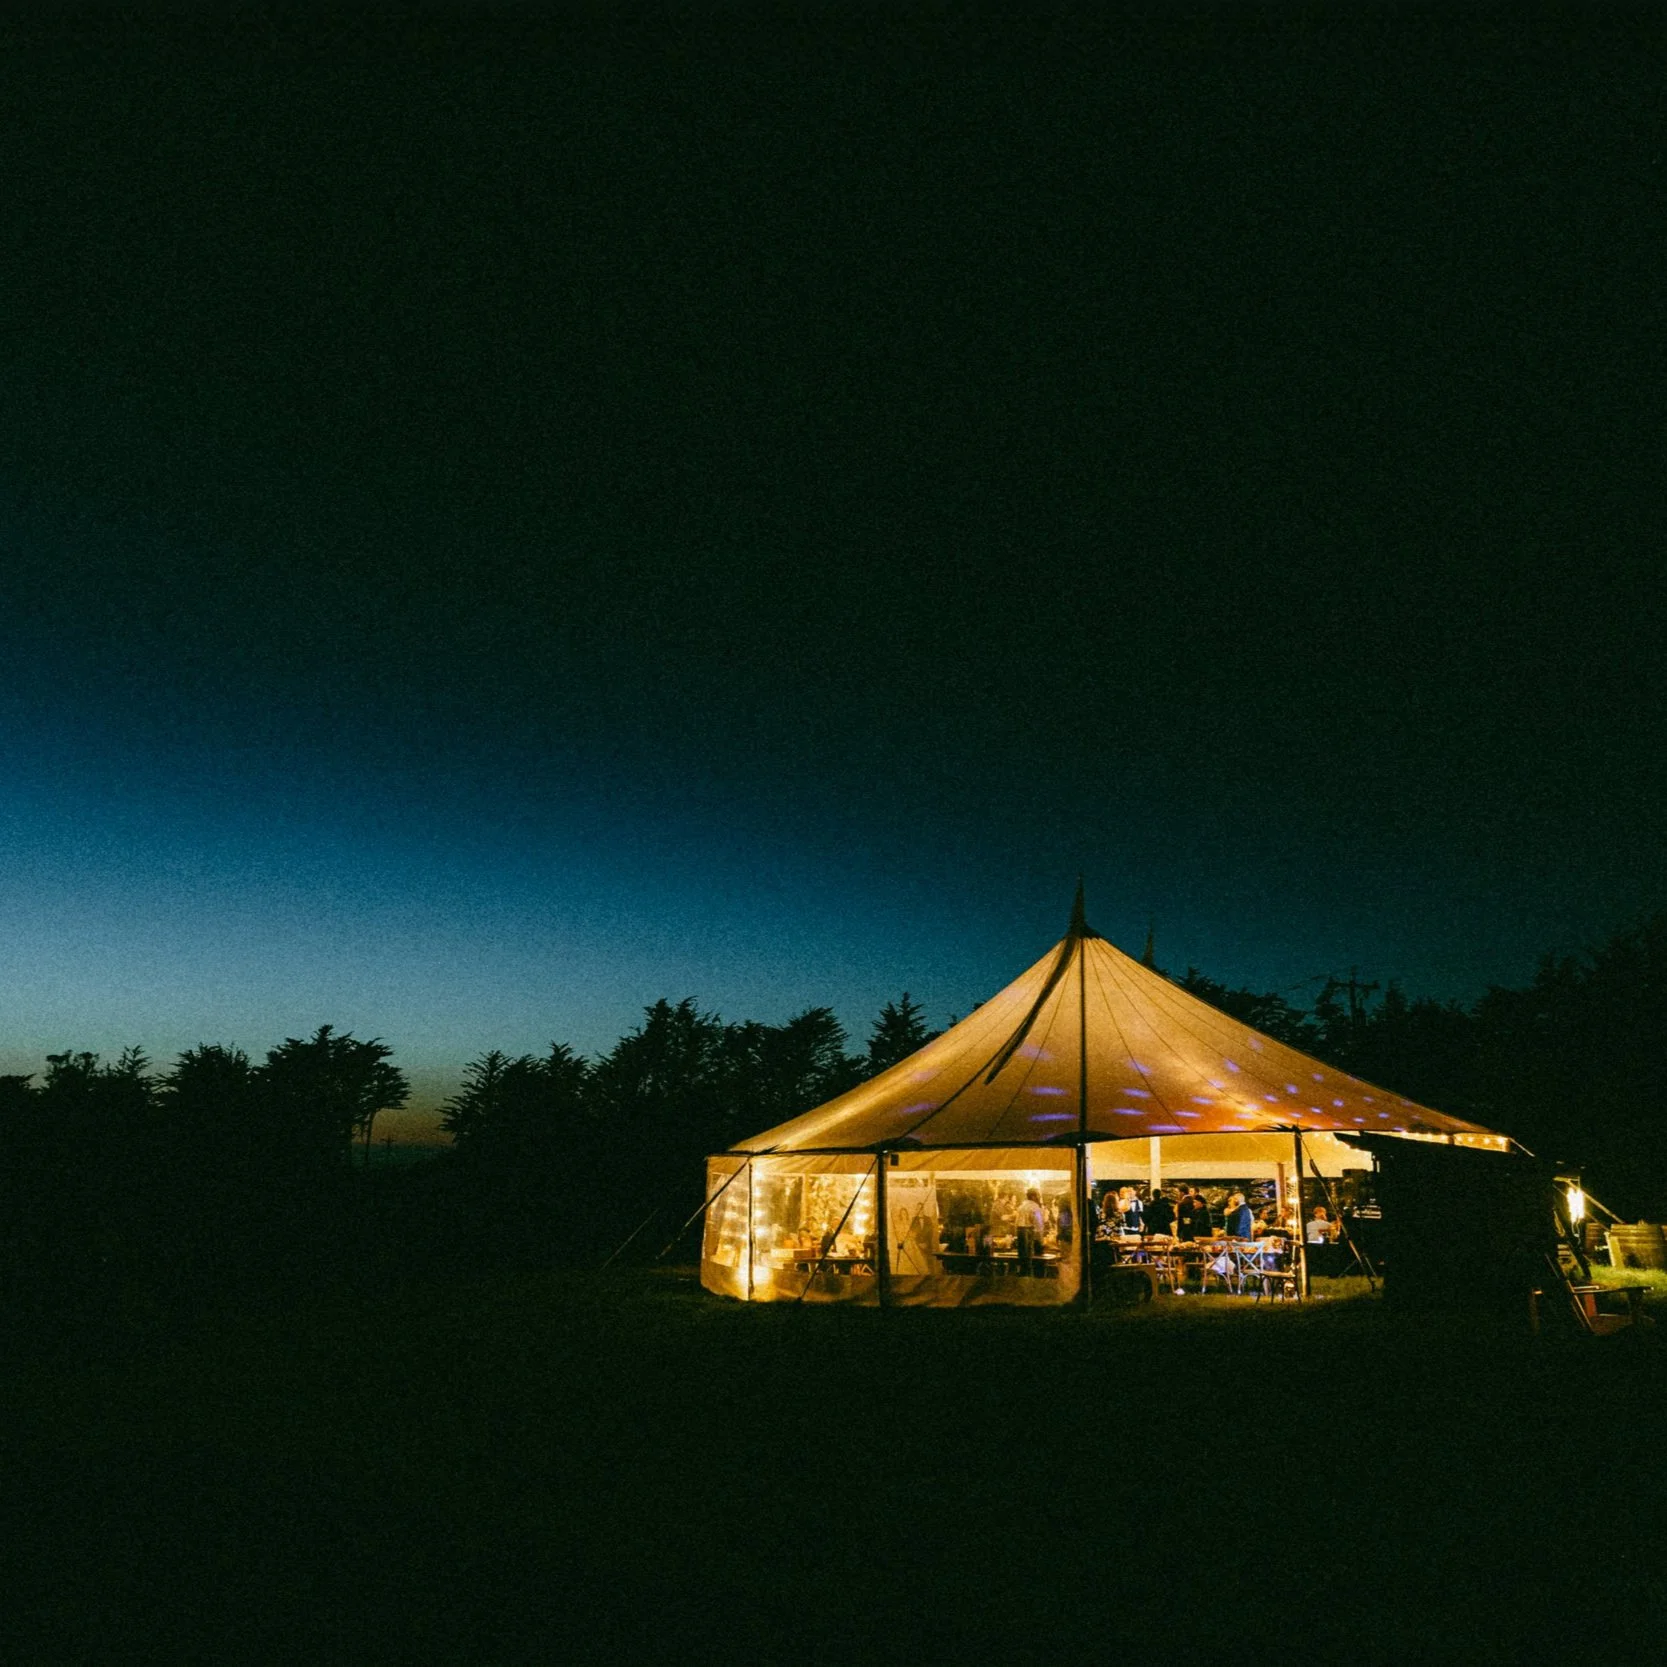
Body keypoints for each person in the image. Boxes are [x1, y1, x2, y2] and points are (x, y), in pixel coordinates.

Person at [1014, 1187, 1045, 1276]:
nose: (1039, 1197)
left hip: (1020, 1232)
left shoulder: (1021, 1207)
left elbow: (1016, 1223)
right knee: (1032, 1258)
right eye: (1038, 1195)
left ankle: (1022, 1275)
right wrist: (1040, 1240)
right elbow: (1039, 1225)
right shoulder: (1034, 1207)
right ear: (1033, 1196)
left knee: (1022, 1258)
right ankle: (1034, 1278)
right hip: (1029, 1232)